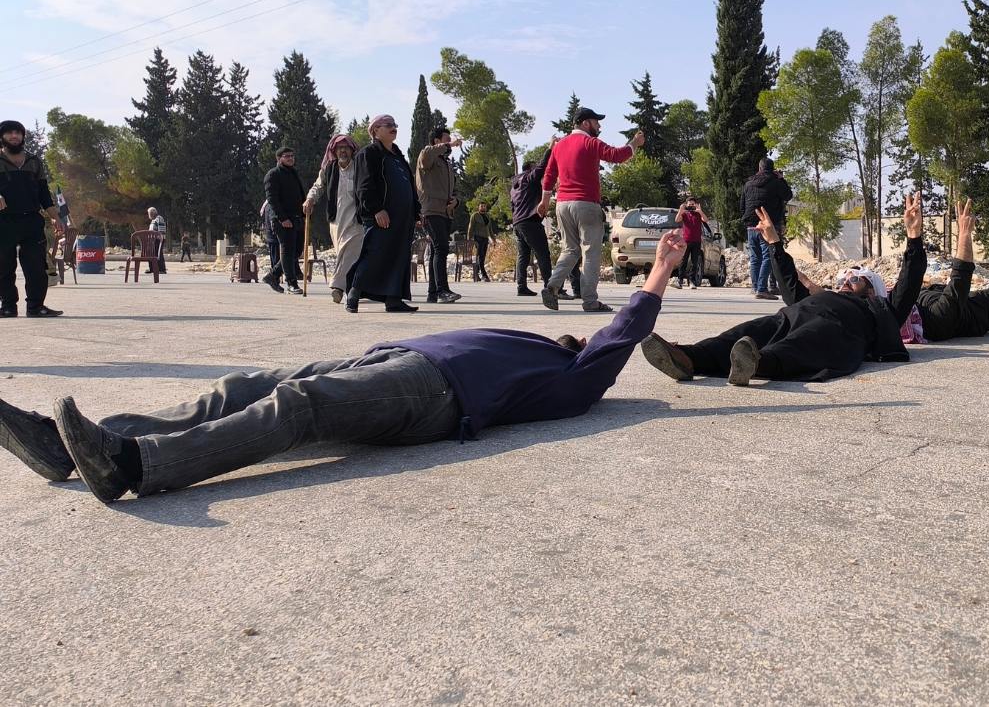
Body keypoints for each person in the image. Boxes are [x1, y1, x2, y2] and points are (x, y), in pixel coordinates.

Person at [0, 231, 691, 504]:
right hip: (391, 361)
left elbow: (618, 337)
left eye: (587, 337)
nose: (584, 336)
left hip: (432, 396)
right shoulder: (532, 345)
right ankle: (67, 447)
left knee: (298, 408)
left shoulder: (572, 380)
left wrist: (657, 272)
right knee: (243, 386)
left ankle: (134, 466)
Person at [641, 195, 926, 386]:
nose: (845, 280)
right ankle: (689, 358)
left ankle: (757, 364)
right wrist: (774, 243)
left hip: (839, 330)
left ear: (872, 291)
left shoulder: (878, 311)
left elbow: (908, 286)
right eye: (844, 277)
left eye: (855, 279)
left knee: (802, 342)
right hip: (791, 316)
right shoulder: (822, 296)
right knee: (743, 333)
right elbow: (789, 282)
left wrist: (913, 239)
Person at [541, 108, 643, 313]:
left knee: (570, 249)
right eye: (597, 122)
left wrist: (544, 202)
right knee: (590, 252)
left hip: (562, 205)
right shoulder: (590, 142)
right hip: (586, 204)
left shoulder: (559, 146)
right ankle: (590, 301)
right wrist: (635, 143)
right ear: (586, 123)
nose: (600, 126)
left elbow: (549, 175)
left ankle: (552, 286)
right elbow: (616, 155)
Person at [907, 198, 989, 342]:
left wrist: (913, 233)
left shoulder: (897, 307)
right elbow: (960, 279)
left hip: (945, 296)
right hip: (974, 311)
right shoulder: (938, 319)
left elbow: (907, 279)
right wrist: (964, 233)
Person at [346, 115, 421, 314]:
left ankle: (394, 299)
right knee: (374, 254)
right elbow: (364, 185)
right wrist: (376, 209)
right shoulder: (368, 154)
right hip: (381, 215)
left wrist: (416, 211)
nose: (393, 128)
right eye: (389, 125)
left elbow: (409, 186)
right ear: (375, 130)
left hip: (403, 218)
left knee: (399, 257)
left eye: (395, 125)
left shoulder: (398, 156)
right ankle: (354, 293)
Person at [0, 119, 64, 318]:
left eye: (18, 132)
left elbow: (44, 193)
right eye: (10, 132)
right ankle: (8, 306)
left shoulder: (34, 161)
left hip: (31, 221)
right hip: (4, 222)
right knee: (3, 267)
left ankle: (36, 307)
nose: (14, 136)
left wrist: (56, 218)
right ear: (2, 137)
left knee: (36, 266)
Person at [303, 133, 362, 304]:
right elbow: (318, 186)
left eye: (346, 148)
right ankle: (352, 288)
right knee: (345, 254)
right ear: (334, 151)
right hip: (336, 220)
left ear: (352, 151)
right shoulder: (329, 169)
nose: (343, 151)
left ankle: (337, 286)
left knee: (349, 249)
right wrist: (310, 199)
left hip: (356, 218)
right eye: (340, 148)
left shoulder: (359, 167)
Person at [417, 126, 464, 305]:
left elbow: (453, 191)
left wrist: (456, 202)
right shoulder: (427, 156)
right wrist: (449, 144)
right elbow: (427, 154)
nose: (450, 142)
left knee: (437, 250)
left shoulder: (446, 163)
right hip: (430, 210)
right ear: (437, 141)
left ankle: (433, 293)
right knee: (441, 248)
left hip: (445, 212)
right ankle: (442, 291)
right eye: (446, 138)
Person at [740, 158, 794, 300]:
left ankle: (755, 287)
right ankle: (762, 289)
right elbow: (788, 195)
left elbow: (742, 205)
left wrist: (748, 220)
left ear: (759, 168)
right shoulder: (776, 183)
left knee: (755, 257)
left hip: (751, 225)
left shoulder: (748, 183)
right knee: (768, 256)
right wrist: (782, 179)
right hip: (768, 224)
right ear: (772, 169)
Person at [510, 141, 555, 297]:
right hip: (530, 222)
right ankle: (550, 286)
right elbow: (542, 167)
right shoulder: (529, 178)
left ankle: (521, 286)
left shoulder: (515, 185)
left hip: (518, 223)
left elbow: (512, 206)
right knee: (542, 253)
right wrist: (550, 149)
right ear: (530, 168)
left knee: (523, 256)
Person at [263, 147, 307, 295]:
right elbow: (272, 200)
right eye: (287, 156)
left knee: (296, 252)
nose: (290, 158)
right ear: (279, 158)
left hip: (297, 219)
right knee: (287, 251)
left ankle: (272, 275)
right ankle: (291, 283)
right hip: (282, 220)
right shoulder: (273, 174)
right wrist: (283, 218)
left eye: (292, 156)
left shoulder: (293, 173)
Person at [674, 195, 706, 289]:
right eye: (689, 204)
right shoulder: (685, 214)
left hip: (696, 241)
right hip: (686, 241)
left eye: (693, 204)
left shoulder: (698, 213)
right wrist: (681, 210)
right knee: (683, 261)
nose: (691, 206)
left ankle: (692, 281)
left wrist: (700, 211)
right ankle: (680, 281)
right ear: (686, 205)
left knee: (694, 262)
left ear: (696, 205)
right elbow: (677, 220)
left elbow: (706, 220)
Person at [466, 202, 495, 282]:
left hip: (485, 238)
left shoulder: (487, 216)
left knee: (483, 256)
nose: (483, 207)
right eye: (481, 206)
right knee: (480, 256)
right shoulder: (475, 215)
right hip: (477, 238)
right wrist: (469, 239)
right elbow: (470, 227)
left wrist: (493, 239)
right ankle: (484, 275)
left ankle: (476, 275)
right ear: (478, 207)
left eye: (484, 206)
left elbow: (490, 229)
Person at [260, 199, 282, 290]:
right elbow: (272, 219)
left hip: (273, 236)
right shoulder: (271, 204)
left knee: (276, 259)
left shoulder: (267, 204)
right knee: (276, 259)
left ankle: (275, 280)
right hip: (274, 236)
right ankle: (274, 280)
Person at [146, 206, 168, 274]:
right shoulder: (153, 220)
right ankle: (152, 268)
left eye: (150, 213)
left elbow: (161, 230)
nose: (149, 215)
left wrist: (158, 237)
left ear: (153, 213)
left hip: (158, 239)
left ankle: (162, 269)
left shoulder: (159, 218)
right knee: (151, 253)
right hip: (153, 240)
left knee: (158, 254)